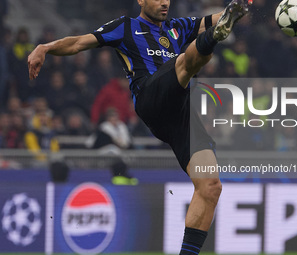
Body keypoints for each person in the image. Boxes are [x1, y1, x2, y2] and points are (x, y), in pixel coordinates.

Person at [28, 0, 251, 253]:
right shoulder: (125, 27)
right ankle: (213, 39)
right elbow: (78, 43)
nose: (165, 2)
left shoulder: (178, 27)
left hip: (181, 112)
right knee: (185, 63)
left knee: (211, 186)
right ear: (141, 1)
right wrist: (45, 47)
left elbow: (217, 16)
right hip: (151, 97)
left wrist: (238, 6)